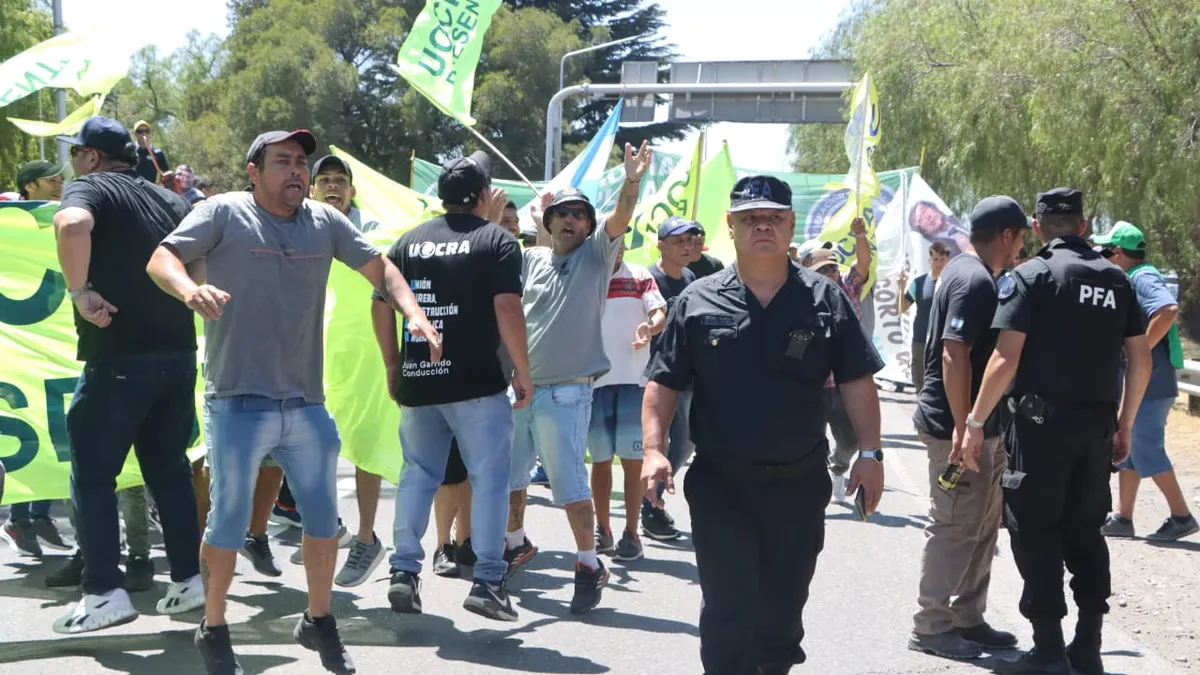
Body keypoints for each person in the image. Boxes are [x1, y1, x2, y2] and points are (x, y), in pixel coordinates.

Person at [147, 128, 439, 675]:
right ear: (253, 171)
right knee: (229, 521)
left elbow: (384, 269)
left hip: (305, 403)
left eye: (301, 162)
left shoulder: (325, 222)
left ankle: (319, 620)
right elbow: (161, 258)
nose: (297, 171)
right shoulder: (224, 213)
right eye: (283, 161)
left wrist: (412, 311)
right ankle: (213, 628)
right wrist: (189, 289)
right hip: (236, 399)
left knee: (325, 520)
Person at [642, 174, 886, 675]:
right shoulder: (698, 301)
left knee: (782, 614)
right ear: (731, 227)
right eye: (751, 218)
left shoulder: (825, 298)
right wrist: (654, 449)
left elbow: (858, 381)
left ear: (790, 224)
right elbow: (663, 383)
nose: (763, 227)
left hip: (797, 486)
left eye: (773, 217)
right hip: (721, 485)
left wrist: (870, 453)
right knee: (729, 611)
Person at [961, 188, 1152, 675]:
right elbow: (1141, 357)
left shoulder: (1032, 276)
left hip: (1040, 428)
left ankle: (1048, 649)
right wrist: (1125, 422)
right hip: (1096, 428)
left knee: (1036, 532)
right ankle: (1088, 645)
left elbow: (1005, 358)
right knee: (1087, 532)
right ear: (1085, 226)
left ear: (1040, 227)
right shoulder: (1117, 281)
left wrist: (975, 422)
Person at [50, 116, 204, 633]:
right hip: (178, 354)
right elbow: (197, 261)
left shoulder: (89, 186)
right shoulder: (170, 200)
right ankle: (188, 581)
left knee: (92, 475)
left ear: (92, 157)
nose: (73, 163)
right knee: (170, 471)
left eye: (76, 154)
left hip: (117, 356)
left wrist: (79, 292)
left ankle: (103, 592)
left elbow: (70, 225)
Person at [380, 150, 532, 622]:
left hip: (420, 380)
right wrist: (523, 370)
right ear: (485, 195)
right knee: (489, 479)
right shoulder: (498, 241)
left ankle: (404, 571)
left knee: (417, 473)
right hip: (477, 382)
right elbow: (507, 309)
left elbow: (381, 304)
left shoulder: (407, 242)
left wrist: (392, 366)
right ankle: (488, 580)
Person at [505, 141, 651, 614]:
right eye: (562, 214)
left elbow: (621, 219)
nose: (571, 221)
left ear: (589, 226)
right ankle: (514, 544)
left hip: (567, 394)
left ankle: (589, 563)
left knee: (569, 486)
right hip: (520, 392)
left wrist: (630, 182)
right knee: (510, 479)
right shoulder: (530, 261)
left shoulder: (595, 258)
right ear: (548, 223)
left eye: (580, 216)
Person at [907, 197, 1028, 661]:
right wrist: (964, 427)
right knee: (955, 524)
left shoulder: (968, 270)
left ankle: (967, 616)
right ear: (1006, 236)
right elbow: (953, 354)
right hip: (954, 427)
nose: (1021, 248)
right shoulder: (974, 279)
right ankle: (932, 623)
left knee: (982, 525)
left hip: (983, 423)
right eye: (1020, 238)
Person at [1093, 222, 1198, 541]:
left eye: (1108, 249)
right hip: (1144, 382)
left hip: (1152, 383)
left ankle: (1181, 515)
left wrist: (1139, 350)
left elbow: (1167, 309)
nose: (1104, 254)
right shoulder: (1132, 278)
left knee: (1145, 447)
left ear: (1121, 253)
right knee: (1129, 449)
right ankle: (1123, 517)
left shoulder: (1143, 277)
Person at [589, 238, 666, 561]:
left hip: (634, 381)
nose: (615, 249)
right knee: (600, 461)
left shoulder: (638, 275)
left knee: (633, 462)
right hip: (594, 382)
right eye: (609, 243)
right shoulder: (587, 276)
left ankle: (632, 532)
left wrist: (650, 328)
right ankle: (603, 529)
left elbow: (659, 311)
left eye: (619, 243)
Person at [642, 216, 703, 540]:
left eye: (692, 239)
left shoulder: (692, 277)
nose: (687, 245)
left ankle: (651, 498)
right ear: (660, 244)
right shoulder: (649, 279)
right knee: (660, 441)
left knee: (686, 441)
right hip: (656, 376)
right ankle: (650, 508)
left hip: (687, 375)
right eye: (679, 240)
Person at [804, 227, 870, 504]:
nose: (829, 274)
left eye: (832, 268)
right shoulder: (801, 297)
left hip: (845, 383)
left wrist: (860, 237)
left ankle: (838, 467)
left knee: (851, 440)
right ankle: (811, 489)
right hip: (814, 382)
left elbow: (864, 263)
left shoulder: (850, 288)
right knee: (809, 440)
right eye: (822, 270)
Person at [899, 241, 951, 392]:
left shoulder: (952, 283)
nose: (939, 263)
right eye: (935, 259)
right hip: (921, 339)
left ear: (948, 260)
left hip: (943, 339)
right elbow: (902, 307)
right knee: (920, 379)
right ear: (930, 260)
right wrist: (901, 286)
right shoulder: (919, 283)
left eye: (942, 260)